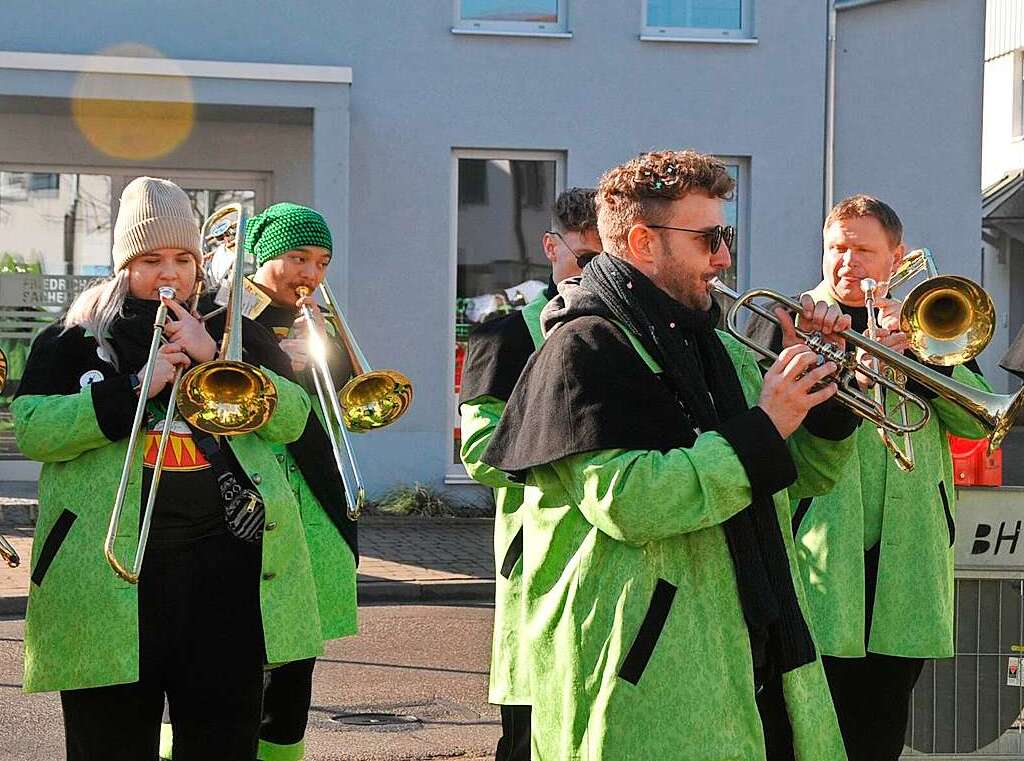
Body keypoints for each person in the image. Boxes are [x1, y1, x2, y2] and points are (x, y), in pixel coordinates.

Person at [482, 150, 858, 760]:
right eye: (709, 239)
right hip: (643, 671)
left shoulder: (715, 344)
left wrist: (825, 395)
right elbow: (632, 503)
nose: (725, 258)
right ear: (641, 241)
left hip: (746, 647)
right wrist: (767, 425)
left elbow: (802, 477)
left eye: (726, 235)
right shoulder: (584, 347)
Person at [14, 177, 324, 761]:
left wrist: (216, 356)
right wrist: (135, 387)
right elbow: (32, 428)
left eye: (183, 258)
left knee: (223, 742)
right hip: (111, 575)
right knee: (109, 743)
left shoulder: (234, 330)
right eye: (151, 259)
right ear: (124, 264)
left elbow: (294, 418)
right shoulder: (75, 336)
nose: (169, 274)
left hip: (228, 574)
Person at [748, 194, 992, 761]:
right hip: (818, 552)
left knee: (880, 726)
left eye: (862, 249)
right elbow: (763, 420)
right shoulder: (790, 319)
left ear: (896, 256)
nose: (847, 262)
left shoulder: (929, 321)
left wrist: (926, 362)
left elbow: (979, 420)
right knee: (796, 725)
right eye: (837, 248)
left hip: (905, 556)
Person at [459, 187, 601, 761]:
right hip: (538, 551)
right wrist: (574, 460)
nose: (596, 275)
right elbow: (477, 449)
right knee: (529, 731)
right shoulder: (505, 328)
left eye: (609, 261)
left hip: (610, 550)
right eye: (585, 260)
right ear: (551, 247)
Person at [246, 202, 359, 761]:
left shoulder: (321, 323)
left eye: (321, 261)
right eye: (296, 257)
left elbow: (349, 405)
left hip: (313, 500)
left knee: (296, 660)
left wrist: (325, 364)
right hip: (250, 503)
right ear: (265, 257)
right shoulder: (229, 320)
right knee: (238, 655)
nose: (310, 274)